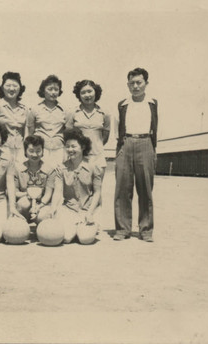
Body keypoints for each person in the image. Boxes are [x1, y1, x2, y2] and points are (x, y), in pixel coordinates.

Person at [113, 67, 158, 242]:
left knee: (145, 189)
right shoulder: (122, 104)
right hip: (126, 143)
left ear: (146, 83)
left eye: (139, 82)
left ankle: (146, 230)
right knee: (122, 189)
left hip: (146, 143)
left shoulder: (153, 103)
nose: (136, 86)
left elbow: (159, 129)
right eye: (132, 83)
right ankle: (122, 229)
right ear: (128, 84)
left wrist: (153, 149)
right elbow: (117, 129)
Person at [50, 128, 103, 244]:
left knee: (85, 239)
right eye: (67, 146)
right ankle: (75, 227)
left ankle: (88, 226)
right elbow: (58, 192)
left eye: (73, 146)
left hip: (89, 210)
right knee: (66, 238)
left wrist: (90, 213)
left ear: (83, 147)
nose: (70, 150)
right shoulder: (61, 168)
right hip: (69, 209)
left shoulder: (93, 167)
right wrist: (53, 208)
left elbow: (97, 193)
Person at [7, 135, 54, 224]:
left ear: (43, 151)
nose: (35, 154)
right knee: (23, 203)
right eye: (31, 151)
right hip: (24, 205)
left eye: (38, 151)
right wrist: (28, 194)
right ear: (25, 152)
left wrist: (39, 207)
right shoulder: (18, 169)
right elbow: (15, 192)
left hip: (42, 205)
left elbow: (48, 193)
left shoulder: (49, 170)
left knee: (43, 217)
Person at [67, 80, 110, 173]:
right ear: (79, 95)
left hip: (98, 157)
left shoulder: (104, 113)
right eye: (83, 92)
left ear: (96, 92)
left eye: (90, 91)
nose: (87, 95)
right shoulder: (72, 113)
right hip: (78, 158)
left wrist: (95, 146)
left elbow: (105, 136)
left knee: (97, 187)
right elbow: (68, 136)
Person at [27, 75, 68, 168]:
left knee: (58, 176)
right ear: (43, 90)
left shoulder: (65, 110)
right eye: (50, 89)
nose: (53, 92)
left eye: (56, 89)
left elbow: (67, 132)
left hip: (59, 150)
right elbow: (31, 133)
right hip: (41, 150)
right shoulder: (35, 109)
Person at [0, 72, 28, 162]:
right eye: (8, 85)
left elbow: (25, 133)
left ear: (20, 88)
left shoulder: (24, 109)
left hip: (20, 150)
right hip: (2, 149)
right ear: (2, 88)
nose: (11, 88)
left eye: (15, 86)